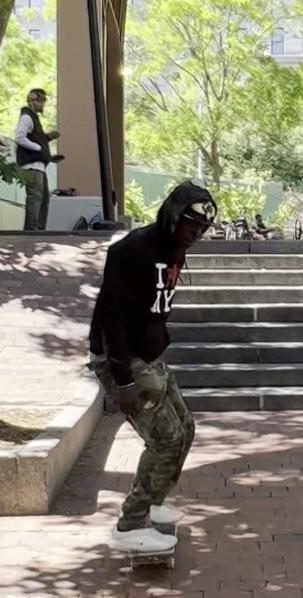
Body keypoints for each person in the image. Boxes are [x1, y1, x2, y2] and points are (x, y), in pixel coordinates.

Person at [87, 181, 217, 554]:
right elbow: (111, 317)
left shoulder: (176, 249)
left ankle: (154, 505)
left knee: (185, 430)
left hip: (150, 356)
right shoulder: (133, 251)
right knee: (165, 440)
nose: (196, 234)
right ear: (174, 215)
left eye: (203, 229)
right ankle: (130, 524)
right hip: (124, 359)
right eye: (191, 224)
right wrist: (123, 379)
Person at [15, 88, 60, 231]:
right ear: (35, 101)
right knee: (35, 197)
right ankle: (31, 229)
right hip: (32, 166)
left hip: (39, 166)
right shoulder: (27, 117)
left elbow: (34, 138)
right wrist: (39, 148)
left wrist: (47, 141)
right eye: (42, 101)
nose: (43, 105)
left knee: (43, 198)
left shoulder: (33, 119)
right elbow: (19, 137)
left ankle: (39, 228)